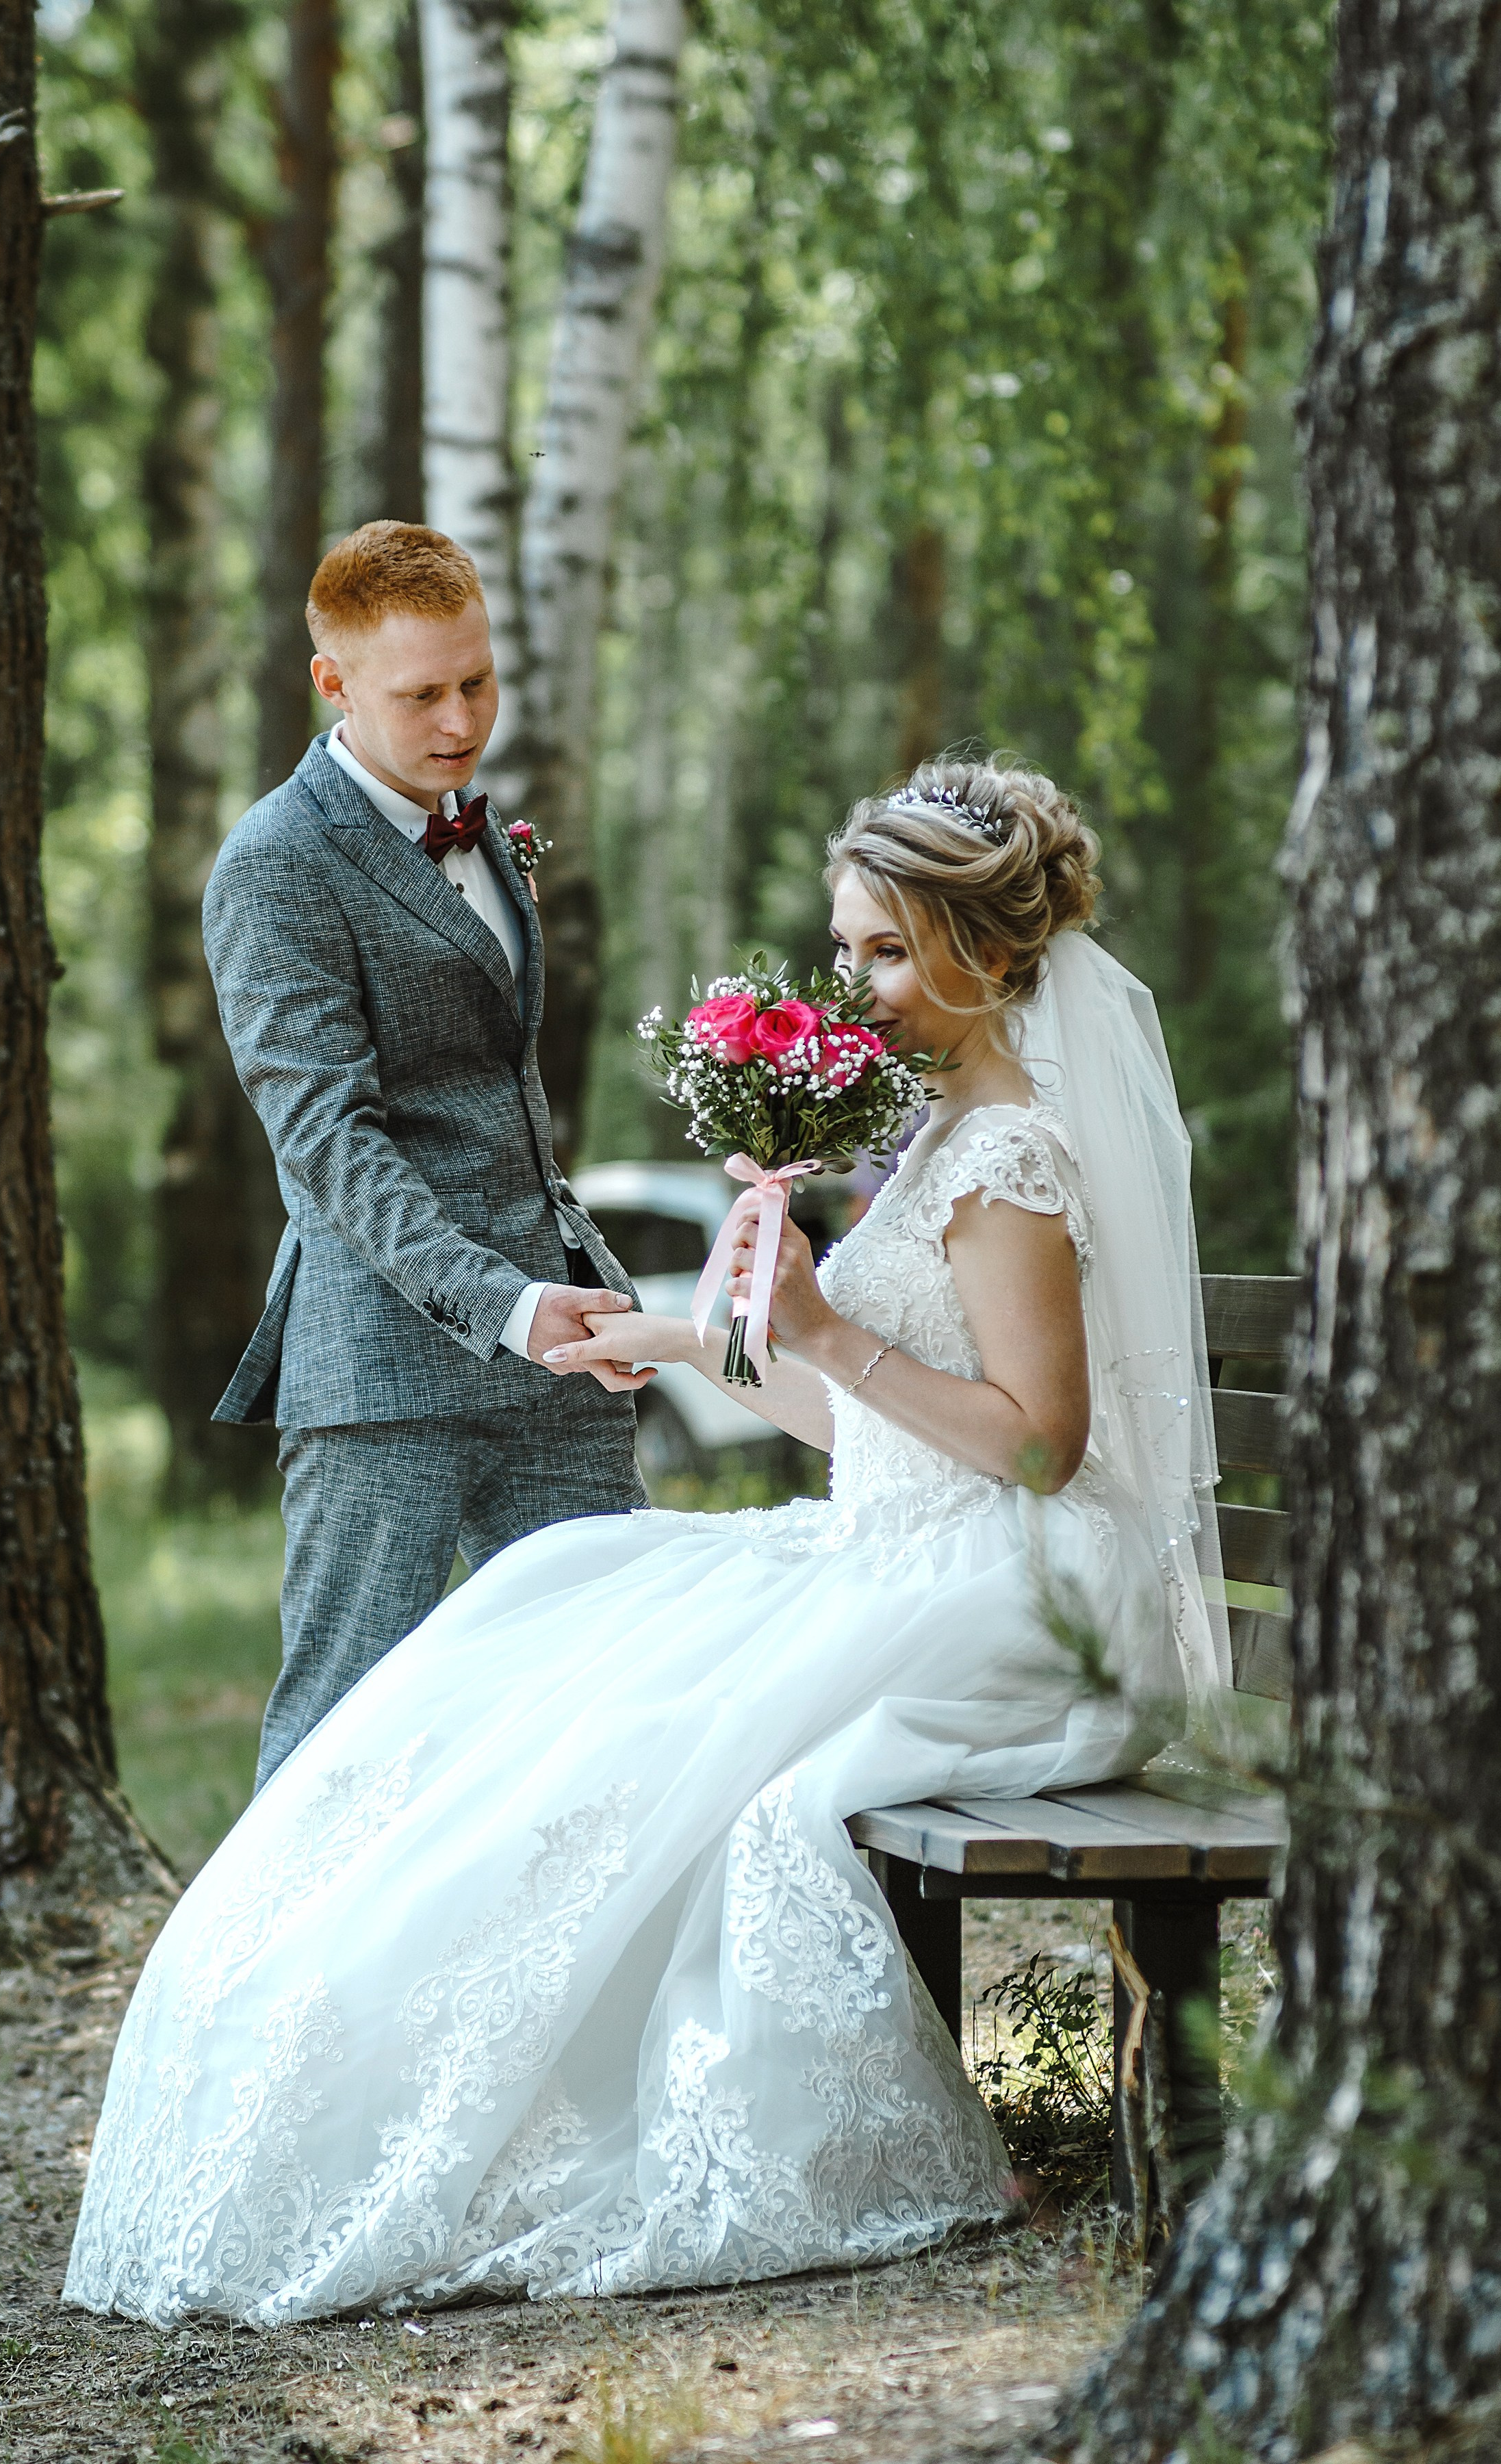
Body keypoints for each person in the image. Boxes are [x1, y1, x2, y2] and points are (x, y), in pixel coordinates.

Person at [66, 756, 1227, 2328]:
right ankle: (354, 2039)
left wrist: (818, 1320)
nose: (855, 985)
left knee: (685, 1745)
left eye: (889, 950)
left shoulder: (1012, 1154)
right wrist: (691, 1344)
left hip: (1018, 1593)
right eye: (846, 949)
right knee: (562, 1597)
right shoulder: (941, 1128)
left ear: (994, 950)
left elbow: (1037, 1443)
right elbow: (873, 1430)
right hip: (903, 1543)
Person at [201, 522, 650, 1790]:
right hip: (389, 1366)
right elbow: (328, 1146)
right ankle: (273, 1991)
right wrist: (498, 1304)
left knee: (604, 1702)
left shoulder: (483, 831)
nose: (460, 719)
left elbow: (500, 1086)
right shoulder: (275, 865)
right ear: (331, 682)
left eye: (478, 680)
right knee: (342, 1738)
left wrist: (556, 1289)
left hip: (563, 1345)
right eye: (422, 694)